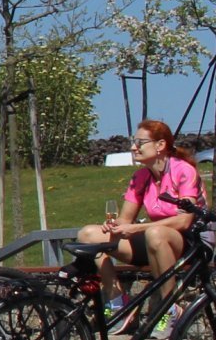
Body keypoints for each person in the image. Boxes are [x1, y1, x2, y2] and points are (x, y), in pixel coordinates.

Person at [77, 119, 203, 322]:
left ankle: (169, 307)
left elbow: (184, 221)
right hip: (153, 241)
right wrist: (114, 226)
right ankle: (117, 299)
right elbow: (125, 219)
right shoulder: (141, 177)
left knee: (154, 233)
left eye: (140, 142)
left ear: (160, 145)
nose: (133, 147)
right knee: (88, 234)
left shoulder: (183, 171)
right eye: (133, 142)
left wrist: (138, 228)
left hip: (190, 242)